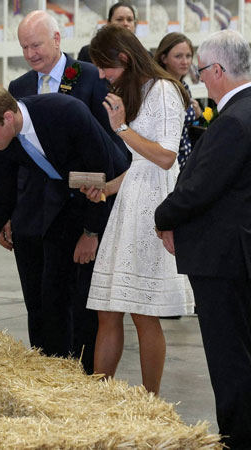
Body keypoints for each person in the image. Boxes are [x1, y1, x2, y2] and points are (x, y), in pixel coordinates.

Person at [0, 10, 129, 374]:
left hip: (79, 212)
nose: (30, 53)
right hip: (32, 217)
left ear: (57, 39)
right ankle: (45, 375)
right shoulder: (19, 87)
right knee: (38, 303)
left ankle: (80, 378)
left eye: (36, 44)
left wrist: (93, 229)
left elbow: (110, 156)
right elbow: (9, 161)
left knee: (79, 304)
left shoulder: (89, 78)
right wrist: (8, 215)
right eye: (24, 47)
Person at [0, 87, 122, 373]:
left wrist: (91, 234)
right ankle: (54, 373)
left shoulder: (66, 112)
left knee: (86, 300)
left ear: (8, 117)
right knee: (50, 295)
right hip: (64, 203)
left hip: (110, 197)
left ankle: (89, 377)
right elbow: (3, 197)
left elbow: (103, 172)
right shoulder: (2, 141)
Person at [82, 25, 194, 396]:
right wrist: (108, 187)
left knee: (143, 312)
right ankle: (102, 398)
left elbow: (164, 157)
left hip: (153, 207)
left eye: (104, 66)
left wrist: (122, 127)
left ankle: (150, 402)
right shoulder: (135, 89)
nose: (101, 75)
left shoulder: (164, 90)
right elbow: (139, 162)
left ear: (124, 58)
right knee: (108, 308)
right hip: (130, 202)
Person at [155, 30, 251, 450]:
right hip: (238, 253)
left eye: (200, 69)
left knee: (231, 359)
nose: (199, 78)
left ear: (216, 71)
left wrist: (162, 216)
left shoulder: (232, 119)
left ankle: (239, 438)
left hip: (224, 258)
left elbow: (200, 188)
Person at [155, 33, 202, 169]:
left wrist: (198, 114)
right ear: (164, 58)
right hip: (167, 163)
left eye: (188, 56)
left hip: (186, 159)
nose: (185, 61)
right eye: (178, 56)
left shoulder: (183, 86)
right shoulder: (161, 87)